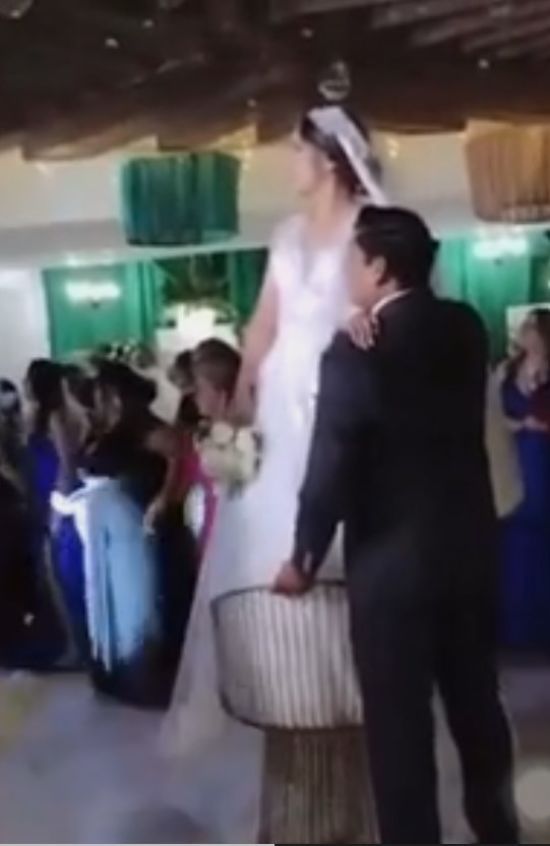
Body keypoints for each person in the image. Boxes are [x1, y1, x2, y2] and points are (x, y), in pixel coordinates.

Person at [163, 105, 386, 841]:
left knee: (341, 574)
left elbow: (388, 311)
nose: (289, 160)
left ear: (329, 158)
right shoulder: (288, 235)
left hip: (338, 409)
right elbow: (261, 327)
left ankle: (347, 745)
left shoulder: (372, 228)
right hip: (280, 420)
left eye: (296, 148)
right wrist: (237, 408)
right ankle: (292, 739)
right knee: (272, 571)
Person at [275, 206, 518, 845]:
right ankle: (499, 831)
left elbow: (332, 459)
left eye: (353, 261)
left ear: (379, 268)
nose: (346, 274)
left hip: (391, 564)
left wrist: (303, 555)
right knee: (477, 705)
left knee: (399, 727)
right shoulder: (466, 327)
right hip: (468, 550)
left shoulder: (353, 351)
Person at [57, 361, 195, 707]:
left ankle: (148, 675)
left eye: (101, 391)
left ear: (115, 394)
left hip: (139, 527)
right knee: (116, 604)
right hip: (111, 532)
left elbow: (181, 453)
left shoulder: (145, 427)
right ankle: (118, 672)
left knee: (144, 604)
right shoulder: (105, 427)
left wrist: (165, 497)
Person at [25, 358, 88, 664]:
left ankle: (76, 645)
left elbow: (67, 464)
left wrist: (58, 506)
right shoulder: (43, 416)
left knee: (62, 573)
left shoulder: (56, 418)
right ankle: (73, 640)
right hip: (46, 493)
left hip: (59, 498)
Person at [500, 308, 550, 652]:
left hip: (544, 454)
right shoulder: (506, 370)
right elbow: (492, 413)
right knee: (515, 539)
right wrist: (520, 425)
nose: (525, 332)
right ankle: (515, 629)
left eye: (532, 327)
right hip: (516, 453)